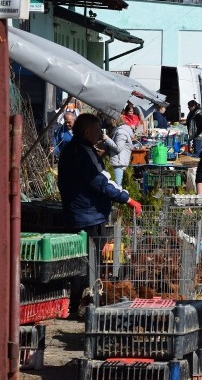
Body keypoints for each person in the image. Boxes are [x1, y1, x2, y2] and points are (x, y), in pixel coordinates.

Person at [57, 113, 142, 314]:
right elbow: (101, 182)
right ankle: (82, 306)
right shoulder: (84, 151)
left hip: (77, 211)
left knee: (79, 262)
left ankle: (76, 303)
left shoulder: (71, 148)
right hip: (89, 215)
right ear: (87, 132)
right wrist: (127, 199)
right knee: (88, 264)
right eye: (97, 130)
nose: (100, 134)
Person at [101, 116, 134, 186]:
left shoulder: (121, 132)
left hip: (118, 162)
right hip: (118, 161)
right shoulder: (118, 130)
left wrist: (107, 139)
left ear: (114, 121)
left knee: (117, 185)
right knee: (116, 185)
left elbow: (118, 148)